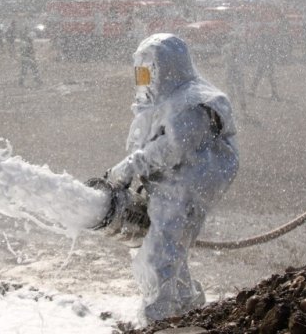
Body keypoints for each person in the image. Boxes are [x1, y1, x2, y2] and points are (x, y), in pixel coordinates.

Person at [106, 33, 239, 323]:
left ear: (167, 68)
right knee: (168, 255)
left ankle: (158, 321)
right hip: (169, 189)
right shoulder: (170, 100)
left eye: (148, 72)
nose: (144, 80)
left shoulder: (192, 103)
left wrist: (131, 166)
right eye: (139, 73)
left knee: (157, 259)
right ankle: (186, 310)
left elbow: (173, 147)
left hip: (185, 190)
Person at [249, 28, 281, 101]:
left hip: (264, 62)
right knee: (269, 78)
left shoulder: (263, 43)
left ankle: (253, 91)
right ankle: (274, 93)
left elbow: (259, 50)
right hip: (266, 62)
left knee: (260, 77)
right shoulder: (268, 42)